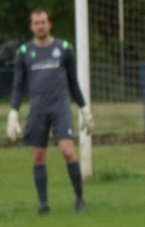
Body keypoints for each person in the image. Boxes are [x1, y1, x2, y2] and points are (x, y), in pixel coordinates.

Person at [7, 8, 93, 215]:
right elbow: (18, 86)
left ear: (49, 24)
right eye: (36, 23)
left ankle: (80, 199)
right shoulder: (25, 53)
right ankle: (44, 204)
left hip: (60, 108)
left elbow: (73, 83)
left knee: (67, 150)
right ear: (31, 27)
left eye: (43, 22)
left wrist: (84, 109)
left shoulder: (63, 49)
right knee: (38, 156)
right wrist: (13, 113)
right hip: (38, 110)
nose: (40, 26)